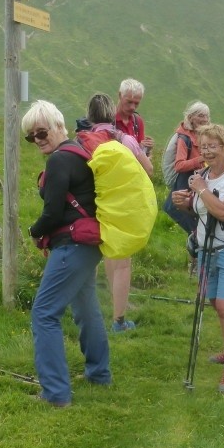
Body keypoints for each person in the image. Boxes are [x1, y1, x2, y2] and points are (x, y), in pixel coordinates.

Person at [23, 100, 111, 407]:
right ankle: (99, 374)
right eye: (31, 136)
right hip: (88, 246)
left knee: (44, 314)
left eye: (42, 131)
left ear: (59, 126)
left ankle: (55, 393)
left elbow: (53, 211)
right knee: (86, 307)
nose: (38, 139)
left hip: (71, 246)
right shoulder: (79, 152)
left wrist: (34, 232)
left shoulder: (60, 160)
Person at [170, 124, 224, 394]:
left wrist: (201, 189)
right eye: (203, 147)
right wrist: (183, 201)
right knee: (217, 302)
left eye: (212, 146)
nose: (206, 152)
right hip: (207, 249)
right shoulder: (202, 175)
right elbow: (201, 210)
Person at [86, 93, 154, 334]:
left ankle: (90, 310)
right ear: (112, 114)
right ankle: (119, 320)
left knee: (102, 256)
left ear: (89, 115)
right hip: (121, 208)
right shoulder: (124, 139)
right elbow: (148, 169)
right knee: (122, 263)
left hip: (93, 206)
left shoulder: (83, 139)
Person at [165, 101, 212, 238]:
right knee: (194, 223)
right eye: (200, 116)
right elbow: (179, 165)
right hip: (188, 183)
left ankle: (198, 250)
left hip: (198, 182)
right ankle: (197, 250)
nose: (204, 119)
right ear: (191, 117)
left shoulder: (203, 136)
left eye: (206, 116)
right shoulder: (184, 138)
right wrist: (201, 159)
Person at [115, 78, 154, 156]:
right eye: (129, 102)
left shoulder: (138, 121)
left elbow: (142, 155)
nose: (133, 107)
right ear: (120, 95)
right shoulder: (107, 119)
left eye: (136, 103)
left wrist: (146, 149)